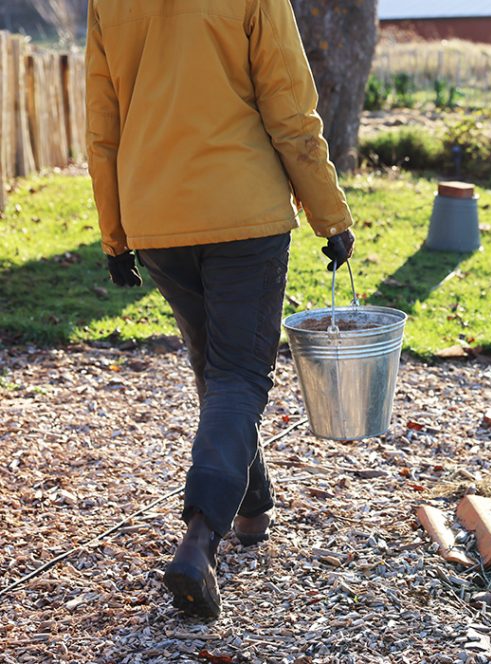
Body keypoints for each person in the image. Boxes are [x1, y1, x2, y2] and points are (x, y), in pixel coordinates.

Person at [85, 0, 356, 619]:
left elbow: (103, 125)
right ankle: (199, 541)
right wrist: (330, 216)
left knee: (217, 371)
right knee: (237, 375)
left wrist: (114, 234)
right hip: (244, 216)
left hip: (155, 217)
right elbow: (291, 109)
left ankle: (253, 507)